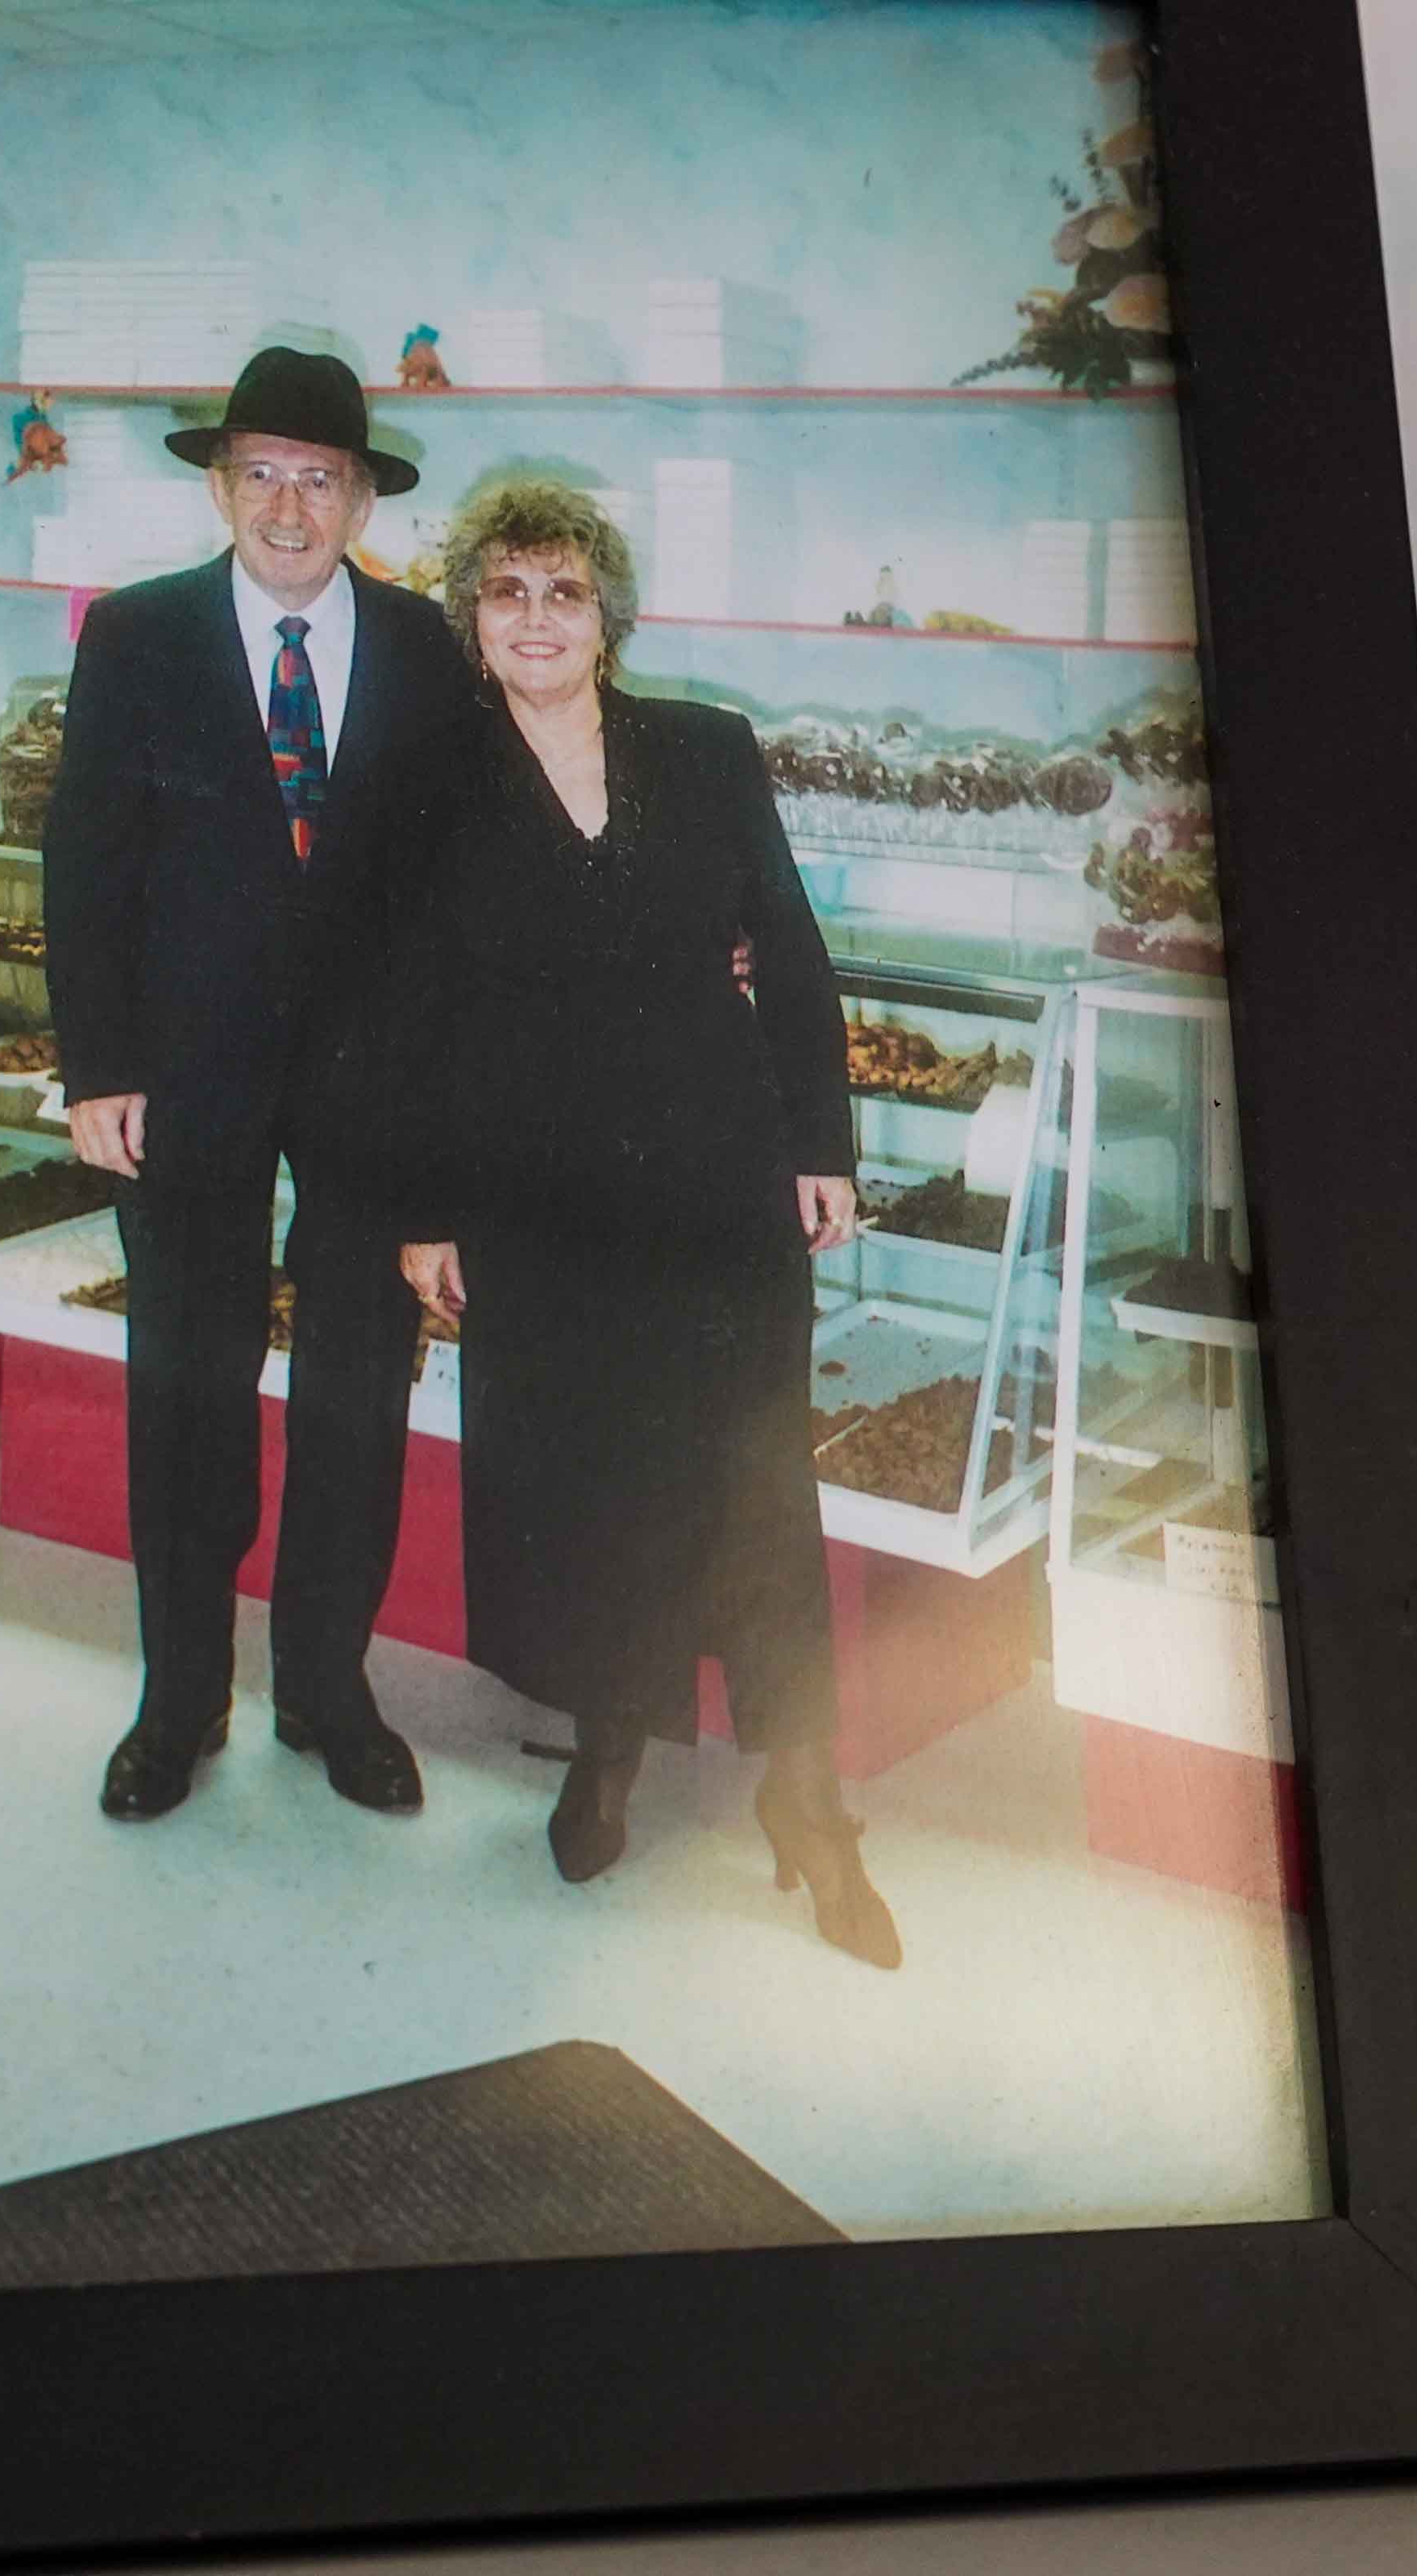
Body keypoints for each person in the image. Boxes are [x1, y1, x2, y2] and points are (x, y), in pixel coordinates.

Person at [309, 477, 900, 1968]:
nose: (535, 620)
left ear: (606, 616)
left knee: (755, 1488)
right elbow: (401, 1010)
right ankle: (609, 1751)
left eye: (563, 592)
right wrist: (421, 1209)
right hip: (534, 1196)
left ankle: (808, 1798)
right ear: (471, 620)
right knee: (589, 1484)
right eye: (505, 593)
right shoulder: (426, 776)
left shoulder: (702, 749)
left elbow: (789, 944)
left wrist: (818, 1143)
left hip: (715, 1177)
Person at [41, 347, 443, 1824]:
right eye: (261, 474)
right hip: (184, 1075)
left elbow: (467, 863)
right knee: (184, 1386)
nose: (288, 506)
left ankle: (329, 1693)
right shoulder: (135, 635)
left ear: (361, 501)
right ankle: (179, 1703)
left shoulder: (425, 644)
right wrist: (99, 1066)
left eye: (318, 479)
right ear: (219, 486)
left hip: (372, 1083)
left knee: (356, 1391)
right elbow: (85, 861)